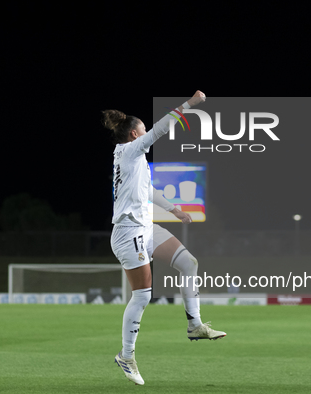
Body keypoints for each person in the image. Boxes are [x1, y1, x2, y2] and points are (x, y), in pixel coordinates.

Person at [102, 91, 225, 386]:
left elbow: (149, 192)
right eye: (142, 130)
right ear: (134, 134)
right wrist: (189, 104)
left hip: (146, 226)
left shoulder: (136, 160)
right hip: (128, 232)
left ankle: (195, 325)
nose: (146, 133)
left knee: (188, 263)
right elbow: (159, 129)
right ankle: (126, 355)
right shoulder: (129, 150)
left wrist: (176, 210)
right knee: (143, 295)